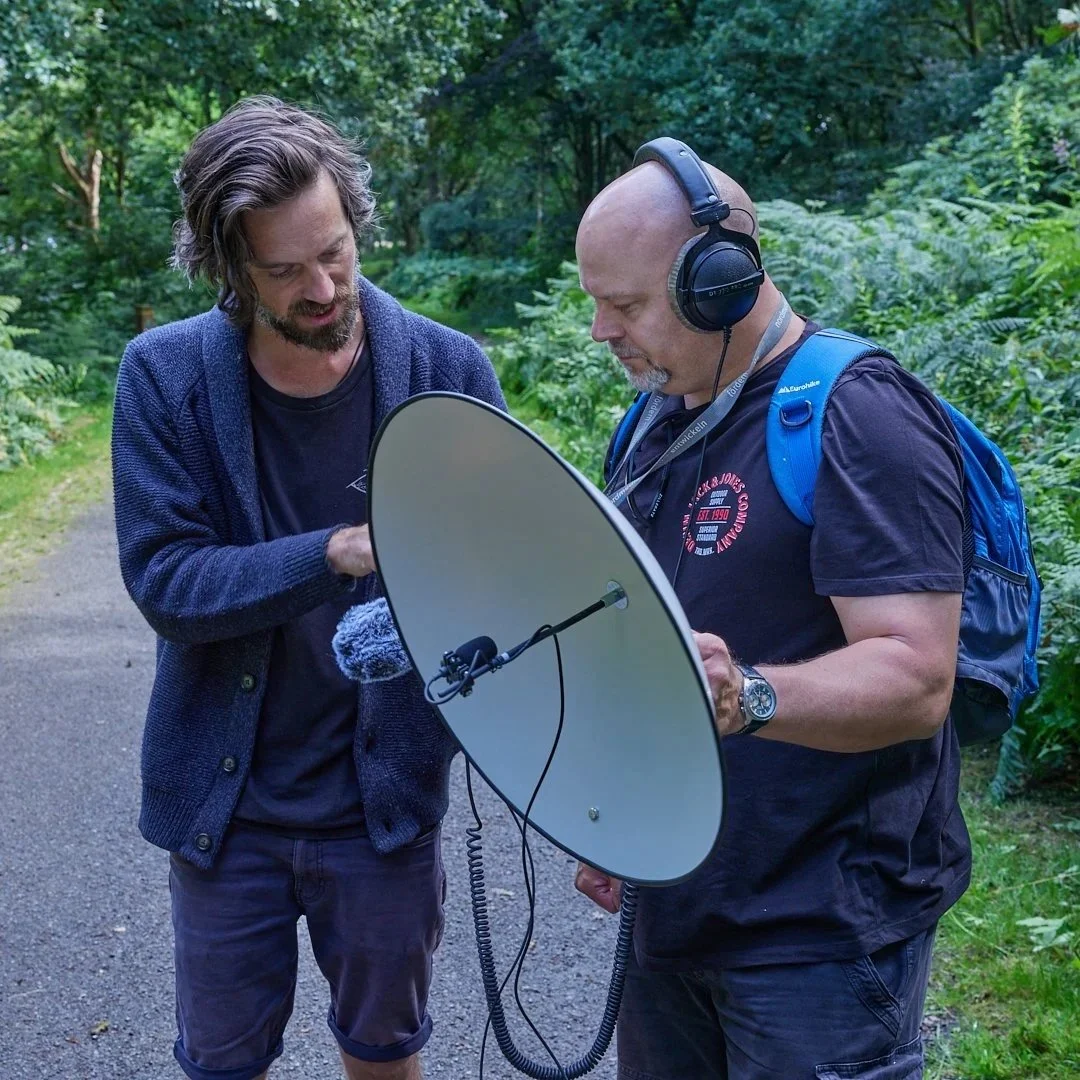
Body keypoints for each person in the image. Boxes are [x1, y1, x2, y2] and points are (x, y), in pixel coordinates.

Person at [111, 97, 504, 1080]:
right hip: (225, 814)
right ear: (227, 266)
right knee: (222, 1061)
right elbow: (166, 581)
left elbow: (508, 586)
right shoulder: (165, 380)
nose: (323, 287)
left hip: (383, 812)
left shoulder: (450, 373)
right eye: (285, 270)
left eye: (334, 252)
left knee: (385, 1052)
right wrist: (333, 553)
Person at [573, 144, 970, 1079]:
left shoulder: (860, 416)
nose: (600, 331)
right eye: (595, 300)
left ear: (719, 282)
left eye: (625, 305)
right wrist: (613, 817)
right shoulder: (653, 422)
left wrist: (748, 694)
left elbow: (916, 678)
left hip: (815, 937)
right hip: (675, 912)